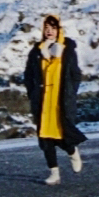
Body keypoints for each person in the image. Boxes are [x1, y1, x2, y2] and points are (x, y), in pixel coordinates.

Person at [23, 15, 88, 185]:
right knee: (45, 138)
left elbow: (75, 75)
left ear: (59, 29)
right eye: (46, 28)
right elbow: (28, 75)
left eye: (53, 27)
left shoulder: (66, 50)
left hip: (61, 101)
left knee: (61, 134)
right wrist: (33, 93)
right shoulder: (37, 51)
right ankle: (54, 173)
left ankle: (72, 151)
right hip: (43, 101)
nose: (49, 31)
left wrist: (70, 93)